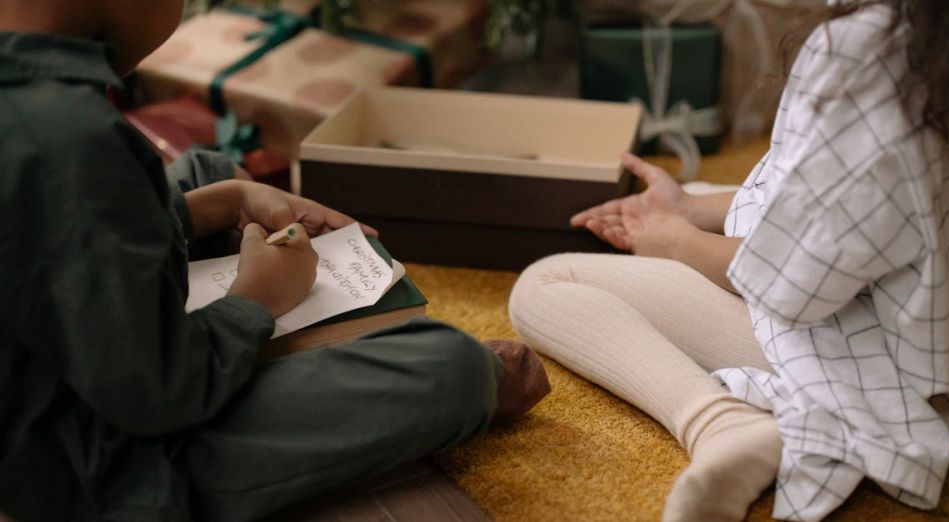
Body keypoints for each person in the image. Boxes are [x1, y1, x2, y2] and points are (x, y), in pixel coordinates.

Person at [0, 1, 549, 520]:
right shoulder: (70, 137)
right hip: (87, 466)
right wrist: (257, 299)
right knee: (452, 368)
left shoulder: (45, 116)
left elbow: (43, 232)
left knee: (207, 174)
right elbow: (160, 394)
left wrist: (216, 204)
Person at [509, 1, 949, 520]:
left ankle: (723, 425)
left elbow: (789, 281)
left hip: (866, 366)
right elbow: (850, 210)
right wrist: (688, 208)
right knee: (697, 198)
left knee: (544, 283)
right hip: (941, 346)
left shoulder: (869, 52)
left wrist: (674, 240)